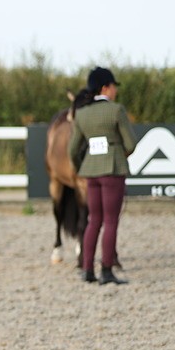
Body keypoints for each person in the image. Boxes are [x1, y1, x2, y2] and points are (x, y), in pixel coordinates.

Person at [68, 67, 137, 284]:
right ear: (105, 88)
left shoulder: (82, 113)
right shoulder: (116, 110)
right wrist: (118, 155)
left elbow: (72, 150)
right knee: (111, 221)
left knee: (93, 220)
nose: (115, 91)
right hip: (112, 170)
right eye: (114, 86)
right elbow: (131, 144)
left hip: (91, 171)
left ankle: (88, 269)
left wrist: (84, 166)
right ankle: (106, 271)